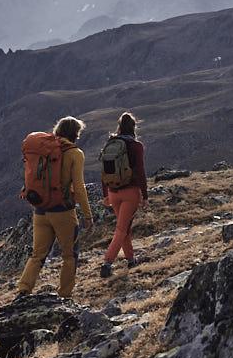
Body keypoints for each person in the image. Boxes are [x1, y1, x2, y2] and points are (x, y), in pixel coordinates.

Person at [17, 116, 93, 299]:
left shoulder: (44, 149)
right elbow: (80, 187)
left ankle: (23, 290)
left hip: (40, 210)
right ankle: (65, 295)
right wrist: (88, 215)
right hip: (63, 212)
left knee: (37, 255)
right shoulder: (75, 154)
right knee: (70, 255)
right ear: (75, 133)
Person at [97, 112, 147, 278]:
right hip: (130, 193)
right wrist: (145, 195)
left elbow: (105, 170)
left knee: (124, 228)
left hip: (113, 192)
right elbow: (140, 172)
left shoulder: (110, 143)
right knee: (121, 229)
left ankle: (131, 259)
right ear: (133, 127)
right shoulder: (135, 146)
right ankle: (107, 262)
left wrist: (105, 194)